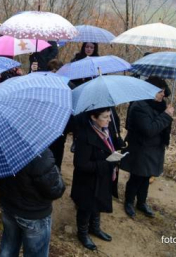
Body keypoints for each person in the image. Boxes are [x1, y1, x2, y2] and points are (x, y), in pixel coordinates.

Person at [71, 108, 125, 251]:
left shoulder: (105, 129)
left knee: (98, 202)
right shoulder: (84, 136)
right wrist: (106, 163)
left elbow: (107, 147)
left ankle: (94, 228)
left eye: (109, 116)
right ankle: (82, 233)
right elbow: (80, 164)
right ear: (94, 117)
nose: (109, 120)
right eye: (105, 117)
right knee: (86, 207)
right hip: (87, 181)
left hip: (101, 178)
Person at [0, 148, 65, 256]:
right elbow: (56, 190)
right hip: (34, 215)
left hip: (8, 207)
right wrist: (56, 173)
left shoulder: (0, 148)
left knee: (8, 248)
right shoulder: (39, 152)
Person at [121, 76, 174, 219]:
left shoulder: (159, 104)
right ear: (150, 91)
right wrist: (166, 116)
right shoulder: (139, 106)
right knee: (137, 176)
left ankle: (142, 202)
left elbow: (160, 126)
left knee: (146, 176)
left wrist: (165, 114)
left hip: (154, 148)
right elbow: (149, 130)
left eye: (164, 91)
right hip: (141, 147)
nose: (163, 94)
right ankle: (129, 202)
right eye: (160, 91)